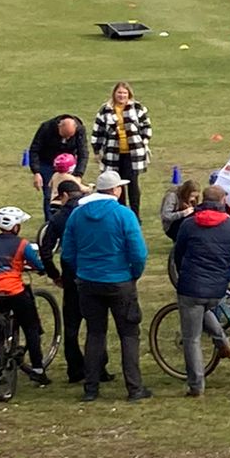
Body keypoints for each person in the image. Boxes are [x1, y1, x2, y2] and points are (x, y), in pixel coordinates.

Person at [168, 184, 230, 396]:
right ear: (223, 202)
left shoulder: (188, 225)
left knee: (192, 339)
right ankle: (223, 343)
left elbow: (178, 254)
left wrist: (182, 274)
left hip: (190, 285)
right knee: (205, 308)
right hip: (217, 286)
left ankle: (196, 385)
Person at [61, 169, 151, 402]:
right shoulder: (124, 214)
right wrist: (134, 275)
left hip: (88, 281)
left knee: (95, 333)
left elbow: (68, 252)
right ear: (116, 190)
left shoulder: (77, 215)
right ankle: (134, 387)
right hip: (120, 280)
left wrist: (82, 270)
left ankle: (91, 388)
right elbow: (138, 252)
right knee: (129, 334)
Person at [0, 205, 50, 385]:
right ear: (15, 227)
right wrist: (42, 269)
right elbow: (36, 263)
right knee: (31, 328)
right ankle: (38, 369)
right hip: (14, 290)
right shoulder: (22, 244)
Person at [38, 172, 88, 382]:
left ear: (65, 195)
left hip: (70, 274)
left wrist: (53, 273)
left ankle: (75, 370)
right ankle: (99, 368)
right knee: (96, 325)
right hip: (94, 272)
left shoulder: (58, 219)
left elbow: (45, 249)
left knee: (72, 326)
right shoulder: (89, 211)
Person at [89, 83, 153, 218]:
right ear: (114, 94)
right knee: (116, 184)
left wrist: (144, 142)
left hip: (133, 153)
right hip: (112, 153)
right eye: (119, 93)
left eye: (124, 93)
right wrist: (96, 149)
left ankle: (135, 215)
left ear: (129, 94)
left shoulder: (137, 108)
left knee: (133, 184)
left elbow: (146, 126)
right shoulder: (105, 109)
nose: (122, 96)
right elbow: (98, 130)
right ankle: (121, 212)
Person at [27, 115, 89, 220]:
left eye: (69, 137)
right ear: (59, 127)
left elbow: (83, 153)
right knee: (49, 195)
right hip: (47, 162)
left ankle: (69, 220)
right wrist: (36, 172)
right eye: (64, 135)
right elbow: (34, 150)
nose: (66, 139)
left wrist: (78, 174)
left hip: (68, 165)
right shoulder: (46, 128)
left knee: (72, 194)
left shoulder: (80, 130)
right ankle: (50, 223)